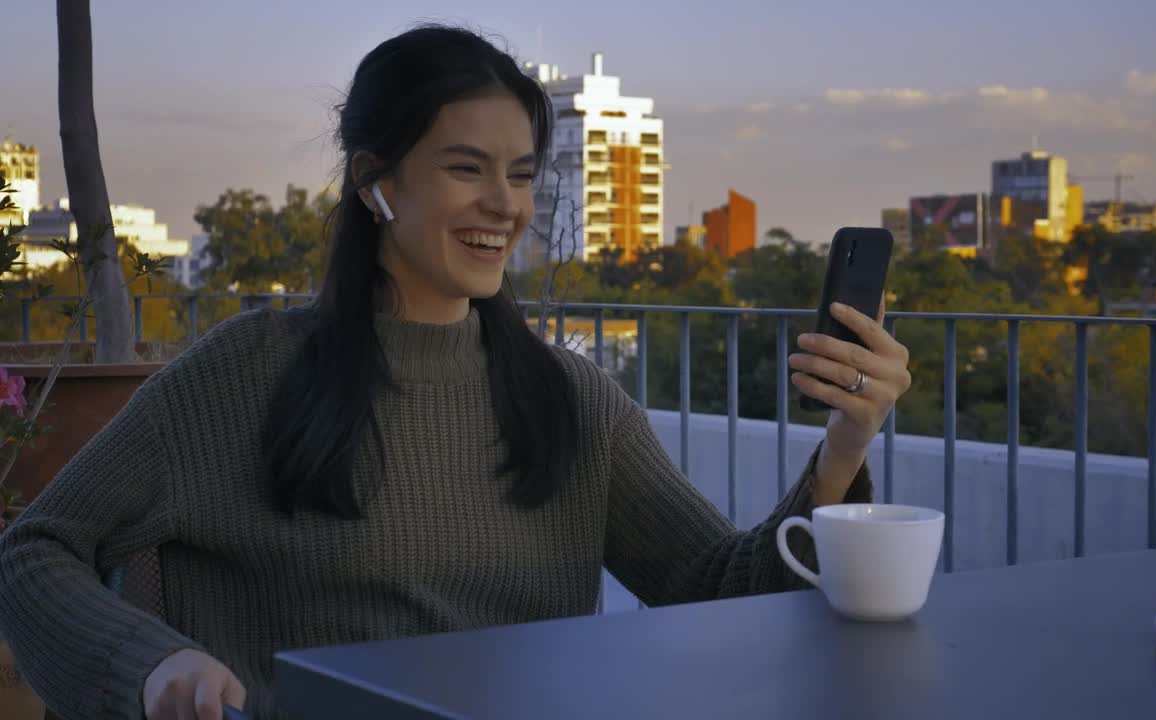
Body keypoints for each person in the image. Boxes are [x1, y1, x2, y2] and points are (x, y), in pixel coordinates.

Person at [0, 24, 911, 720]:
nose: (503, 206)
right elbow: (33, 552)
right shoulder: (244, 375)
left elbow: (720, 598)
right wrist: (151, 664)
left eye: (521, 175)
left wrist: (844, 445)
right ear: (374, 183)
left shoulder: (568, 400)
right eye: (466, 168)